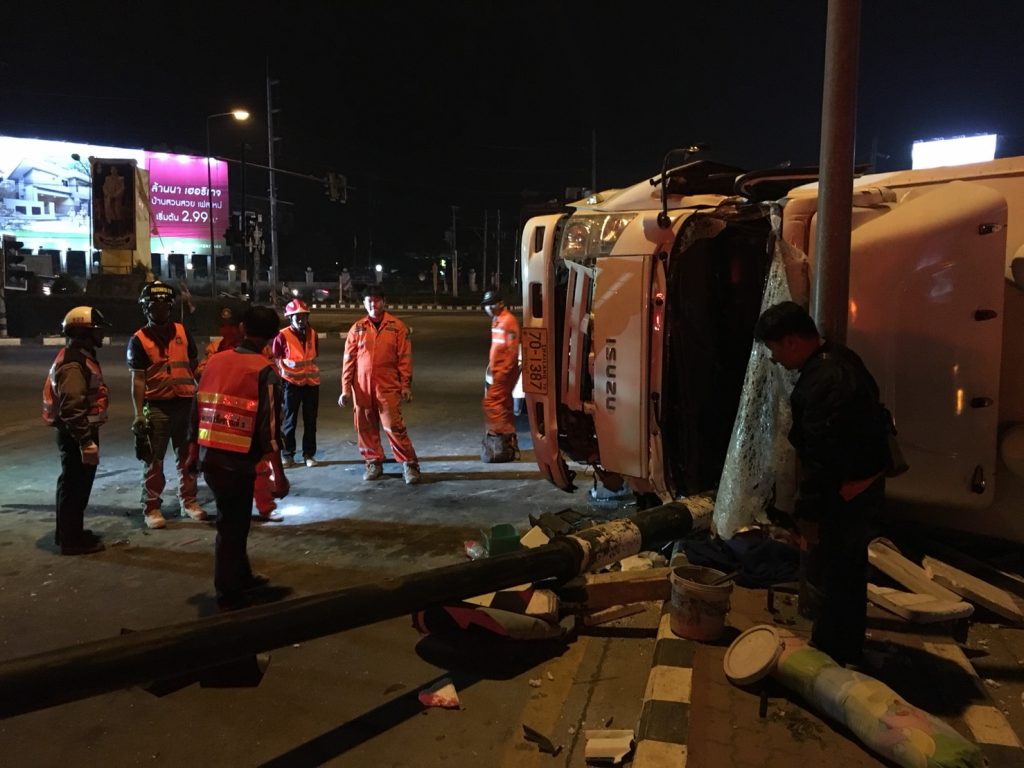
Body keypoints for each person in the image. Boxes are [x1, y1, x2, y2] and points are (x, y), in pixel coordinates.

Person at [753, 301, 889, 666]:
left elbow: (822, 460)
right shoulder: (840, 360)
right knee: (846, 573)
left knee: (837, 575)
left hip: (845, 494)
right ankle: (842, 648)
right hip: (858, 487)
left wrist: (808, 516)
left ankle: (833, 657)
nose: (775, 358)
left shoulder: (824, 382)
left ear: (792, 341)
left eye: (775, 348)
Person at [192, 305, 290, 610]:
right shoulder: (265, 372)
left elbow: (197, 409)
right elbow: (269, 431)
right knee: (232, 528)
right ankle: (229, 592)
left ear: (244, 328)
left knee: (234, 523)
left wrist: (192, 454)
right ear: (273, 336)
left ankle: (241, 576)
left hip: (210, 456)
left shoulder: (215, 361)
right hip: (237, 462)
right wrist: (279, 475)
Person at [128, 280, 207, 529]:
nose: (159, 311)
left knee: (187, 457)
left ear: (170, 308)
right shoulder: (139, 340)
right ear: (146, 309)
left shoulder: (182, 333)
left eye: (164, 306)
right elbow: (138, 380)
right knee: (154, 460)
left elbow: (194, 367)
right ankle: (151, 507)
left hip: (185, 404)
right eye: (154, 307)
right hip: (157, 406)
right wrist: (139, 414)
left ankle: (189, 501)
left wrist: (205, 396)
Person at [42, 306, 111, 555]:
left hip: (77, 432)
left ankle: (69, 533)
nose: (101, 334)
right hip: (76, 434)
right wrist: (85, 441)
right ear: (83, 333)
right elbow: (72, 407)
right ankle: (71, 541)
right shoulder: (73, 364)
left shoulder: (80, 357)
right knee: (75, 488)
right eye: (96, 330)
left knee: (73, 485)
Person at [338, 286, 421, 484]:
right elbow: (348, 360)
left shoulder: (397, 327)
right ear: (363, 303)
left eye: (376, 300)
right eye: (369, 300)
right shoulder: (357, 328)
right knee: (365, 427)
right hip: (362, 388)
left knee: (394, 426)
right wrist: (345, 389)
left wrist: (405, 385)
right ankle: (373, 461)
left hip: (388, 386)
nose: (373, 304)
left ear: (384, 301)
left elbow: (404, 359)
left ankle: (409, 464)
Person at [272, 299, 322, 468]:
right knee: (289, 421)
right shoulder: (282, 335)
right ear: (290, 318)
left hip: (311, 383)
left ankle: (309, 454)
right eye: (297, 317)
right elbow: (276, 359)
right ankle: (288, 455)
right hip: (290, 383)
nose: (301, 320)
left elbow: (314, 355)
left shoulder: (313, 334)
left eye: (304, 316)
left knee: (310, 421)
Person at [480, 290, 520, 462]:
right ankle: (508, 442)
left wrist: (503, 373)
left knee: (492, 403)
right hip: (498, 371)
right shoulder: (496, 321)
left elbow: (511, 351)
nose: (488, 308)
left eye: (491, 304)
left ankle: (501, 437)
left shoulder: (508, 321)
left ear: (500, 304)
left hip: (504, 373)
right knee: (503, 404)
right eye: (486, 305)